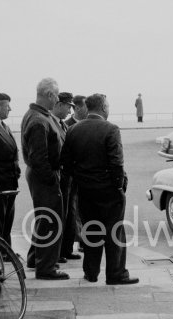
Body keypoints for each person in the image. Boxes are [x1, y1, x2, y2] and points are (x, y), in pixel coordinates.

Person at [61, 93, 138, 285]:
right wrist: (119, 186)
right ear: (103, 108)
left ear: (88, 108)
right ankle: (116, 274)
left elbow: (66, 163)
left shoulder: (73, 130)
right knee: (114, 232)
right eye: (108, 105)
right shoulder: (111, 129)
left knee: (91, 231)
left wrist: (80, 181)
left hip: (85, 190)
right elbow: (116, 163)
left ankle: (91, 272)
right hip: (109, 190)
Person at [21, 77, 69, 280]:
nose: (57, 99)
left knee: (44, 218)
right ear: (49, 95)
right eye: (56, 95)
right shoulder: (39, 120)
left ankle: (35, 258)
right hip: (44, 175)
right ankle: (46, 268)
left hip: (41, 174)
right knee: (51, 220)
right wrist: (52, 179)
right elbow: (38, 158)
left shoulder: (37, 115)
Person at [51, 92, 82, 263]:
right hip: (59, 176)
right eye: (68, 107)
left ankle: (65, 250)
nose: (70, 111)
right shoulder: (52, 123)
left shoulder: (62, 125)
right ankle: (57, 253)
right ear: (59, 105)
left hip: (68, 177)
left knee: (69, 214)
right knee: (58, 216)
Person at [0, 93, 20, 251]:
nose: (10, 109)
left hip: (9, 182)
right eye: (6, 105)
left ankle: (5, 252)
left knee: (6, 221)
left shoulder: (4, 126)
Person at [64, 95, 88, 253]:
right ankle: (74, 241)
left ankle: (84, 241)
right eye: (86, 107)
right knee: (73, 210)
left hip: (87, 175)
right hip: (73, 174)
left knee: (86, 209)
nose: (89, 110)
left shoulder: (89, 124)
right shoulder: (66, 125)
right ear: (77, 108)